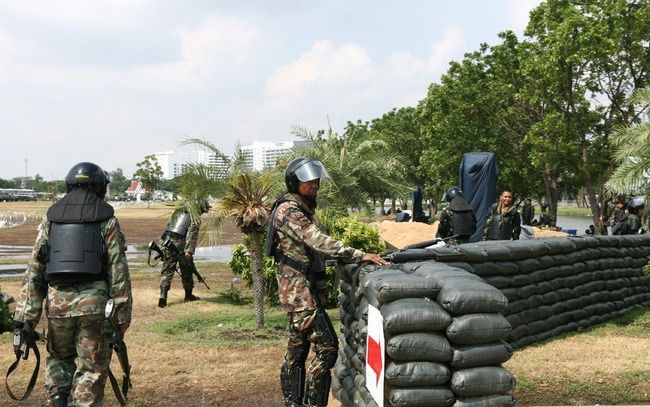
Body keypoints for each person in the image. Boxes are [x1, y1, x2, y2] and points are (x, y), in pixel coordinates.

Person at [266, 157, 387, 407]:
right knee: (327, 347)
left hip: (302, 289)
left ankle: (293, 402)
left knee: (297, 350)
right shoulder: (288, 210)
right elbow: (317, 241)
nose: (314, 184)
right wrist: (358, 254)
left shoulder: (300, 207)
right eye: (308, 181)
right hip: (299, 292)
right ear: (294, 183)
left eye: (316, 180)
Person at [13, 162, 132, 407]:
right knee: (91, 368)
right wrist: (121, 314)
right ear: (100, 187)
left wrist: (27, 316)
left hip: (58, 306)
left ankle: (58, 400)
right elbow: (118, 269)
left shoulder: (52, 220)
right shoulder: (107, 221)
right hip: (94, 308)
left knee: (59, 358)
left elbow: (35, 268)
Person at [157, 200, 210, 307]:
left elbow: (169, 227)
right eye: (203, 211)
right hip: (180, 244)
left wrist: (162, 246)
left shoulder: (178, 211)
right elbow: (192, 235)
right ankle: (188, 296)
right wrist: (189, 252)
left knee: (167, 270)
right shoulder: (195, 218)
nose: (202, 213)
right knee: (187, 269)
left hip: (167, 241)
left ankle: (163, 296)